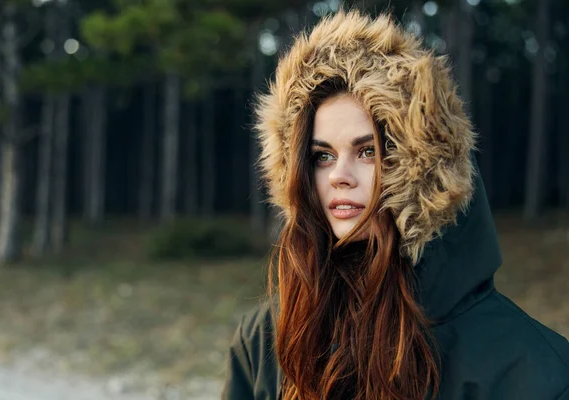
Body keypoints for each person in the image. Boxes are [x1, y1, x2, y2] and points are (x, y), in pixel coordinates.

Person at [221, 9, 569, 400]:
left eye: (367, 151)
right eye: (322, 156)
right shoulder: (270, 339)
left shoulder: (532, 369)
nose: (339, 175)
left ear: (421, 166)